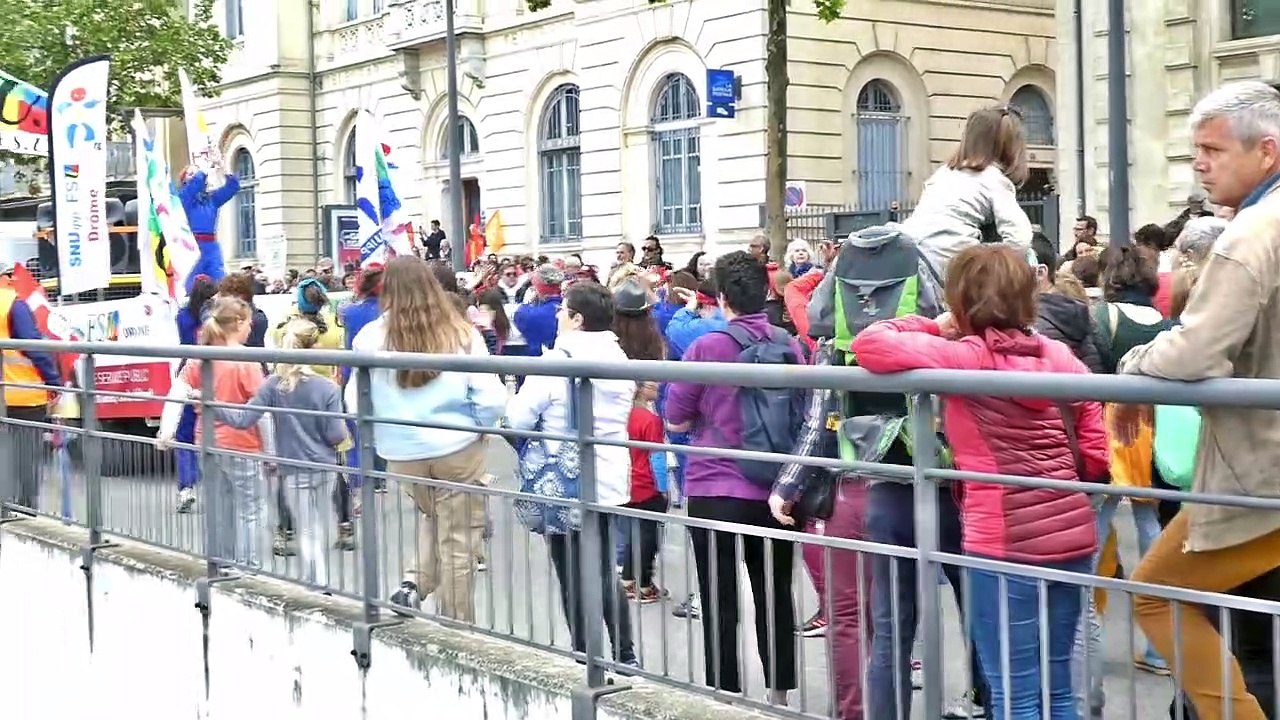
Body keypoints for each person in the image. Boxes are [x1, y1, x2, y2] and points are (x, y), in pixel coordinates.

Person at [852, 244, 1104, 720]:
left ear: (961, 299)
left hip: (1004, 540)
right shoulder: (1055, 353)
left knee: (1014, 691)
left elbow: (871, 342)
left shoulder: (967, 357)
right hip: (1071, 531)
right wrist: (1090, 467)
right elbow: (1092, 408)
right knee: (1057, 688)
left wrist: (935, 324)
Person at [1115, 79, 1280, 720]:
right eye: (1194, 152)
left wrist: (1134, 361)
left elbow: (1194, 351)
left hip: (1257, 475)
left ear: (1266, 151)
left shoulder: (1248, 236)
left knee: (1153, 594)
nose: (1199, 165)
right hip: (1254, 471)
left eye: (1211, 150)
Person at [665, 251, 800, 705]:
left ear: (721, 297)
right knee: (775, 592)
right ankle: (779, 696)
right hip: (775, 488)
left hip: (714, 485)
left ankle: (725, 694)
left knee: (718, 595)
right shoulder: (788, 345)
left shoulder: (706, 347)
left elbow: (676, 418)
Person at [348, 257, 504, 622]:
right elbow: (492, 398)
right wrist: (478, 425)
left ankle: (414, 585)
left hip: (402, 452)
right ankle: (455, 627)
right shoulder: (462, 334)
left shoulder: (370, 337)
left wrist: (383, 432)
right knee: (459, 540)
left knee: (437, 519)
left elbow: (355, 400)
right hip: (458, 448)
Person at [506, 281, 638, 666]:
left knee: (570, 571)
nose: (558, 315)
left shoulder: (557, 359)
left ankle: (584, 653)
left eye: (563, 310)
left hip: (562, 477)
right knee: (602, 570)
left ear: (577, 319)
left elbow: (517, 417)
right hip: (610, 475)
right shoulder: (620, 358)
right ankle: (625, 654)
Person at [211, 317, 348, 587]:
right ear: (314, 346)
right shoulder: (328, 388)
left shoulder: (274, 385)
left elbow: (242, 420)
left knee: (305, 526)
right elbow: (337, 434)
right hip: (325, 465)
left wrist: (211, 403)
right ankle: (319, 581)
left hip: (293, 467)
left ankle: (315, 582)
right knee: (319, 524)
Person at [158, 296, 272, 568]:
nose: (251, 330)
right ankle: (247, 566)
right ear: (240, 323)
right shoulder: (247, 361)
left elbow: (178, 391)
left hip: (207, 441)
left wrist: (166, 432)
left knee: (219, 507)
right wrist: (271, 453)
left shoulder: (200, 358)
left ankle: (221, 562)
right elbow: (263, 412)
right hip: (243, 443)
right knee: (251, 508)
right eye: (250, 324)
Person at [0, 267, 63, 512]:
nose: (14, 280)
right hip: (22, 396)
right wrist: (53, 381)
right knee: (25, 457)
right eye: (9, 276)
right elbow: (34, 347)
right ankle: (24, 509)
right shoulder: (13, 305)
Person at [173, 274, 219, 513]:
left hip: (190, 372)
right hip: (214, 373)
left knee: (185, 435)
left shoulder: (182, 315)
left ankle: (186, 487)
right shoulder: (218, 316)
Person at [178, 166, 240, 292]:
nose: (195, 176)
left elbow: (232, 187)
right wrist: (203, 167)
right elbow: (195, 184)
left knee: (220, 284)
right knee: (189, 287)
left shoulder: (211, 200)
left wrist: (222, 166)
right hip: (192, 247)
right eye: (190, 174)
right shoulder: (183, 197)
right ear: (184, 180)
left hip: (211, 247)